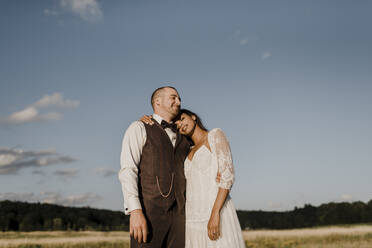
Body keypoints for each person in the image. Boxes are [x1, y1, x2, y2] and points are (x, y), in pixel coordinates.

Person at [141, 109, 245, 247]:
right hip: (192, 217)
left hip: (214, 211)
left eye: (182, 119)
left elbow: (227, 177)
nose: (181, 125)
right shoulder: (187, 149)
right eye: (177, 125)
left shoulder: (214, 135)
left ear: (193, 117)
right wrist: (150, 122)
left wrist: (215, 214)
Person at [118, 86, 191, 248]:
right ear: (157, 101)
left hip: (181, 218)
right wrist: (135, 211)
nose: (178, 102)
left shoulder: (186, 136)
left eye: (179, 99)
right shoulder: (138, 127)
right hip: (149, 214)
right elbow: (128, 170)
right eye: (173, 97)